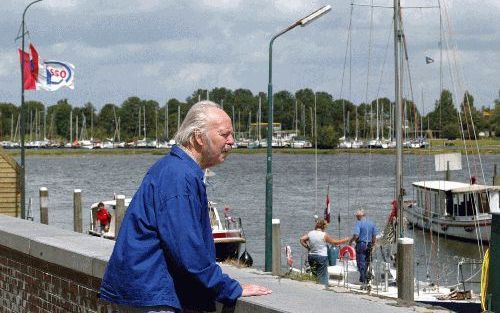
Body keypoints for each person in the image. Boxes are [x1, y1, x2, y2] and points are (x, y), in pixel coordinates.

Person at [100, 101, 271, 313]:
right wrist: (229, 288)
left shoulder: (175, 169)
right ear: (199, 138)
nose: (231, 141)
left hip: (146, 290)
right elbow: (188, 252)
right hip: (153, 296)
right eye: (224, 134)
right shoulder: (179, 178)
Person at [300, 219, 349, 286]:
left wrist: (308, 247)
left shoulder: (310, 233)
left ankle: (314, 286)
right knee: (322, 275)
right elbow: (334, 242)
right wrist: (344, 240)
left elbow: (302, 239)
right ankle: (323, 289)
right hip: (321, 257)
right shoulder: (324, 235)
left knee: (314, 273)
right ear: (323, 227)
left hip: (311, 256)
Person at [349, 208, 378, 290]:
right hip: (369, 244)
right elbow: (374, 236)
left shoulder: (358, 223)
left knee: (360, 263)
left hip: (361, 244)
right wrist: (373, 244)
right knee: (367, 262)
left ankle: (364, 280)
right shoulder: (371, 223)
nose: (357, 218)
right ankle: (365, 278)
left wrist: (351, 241)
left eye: (357, 216)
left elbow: (356, 235)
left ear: (359, 216)